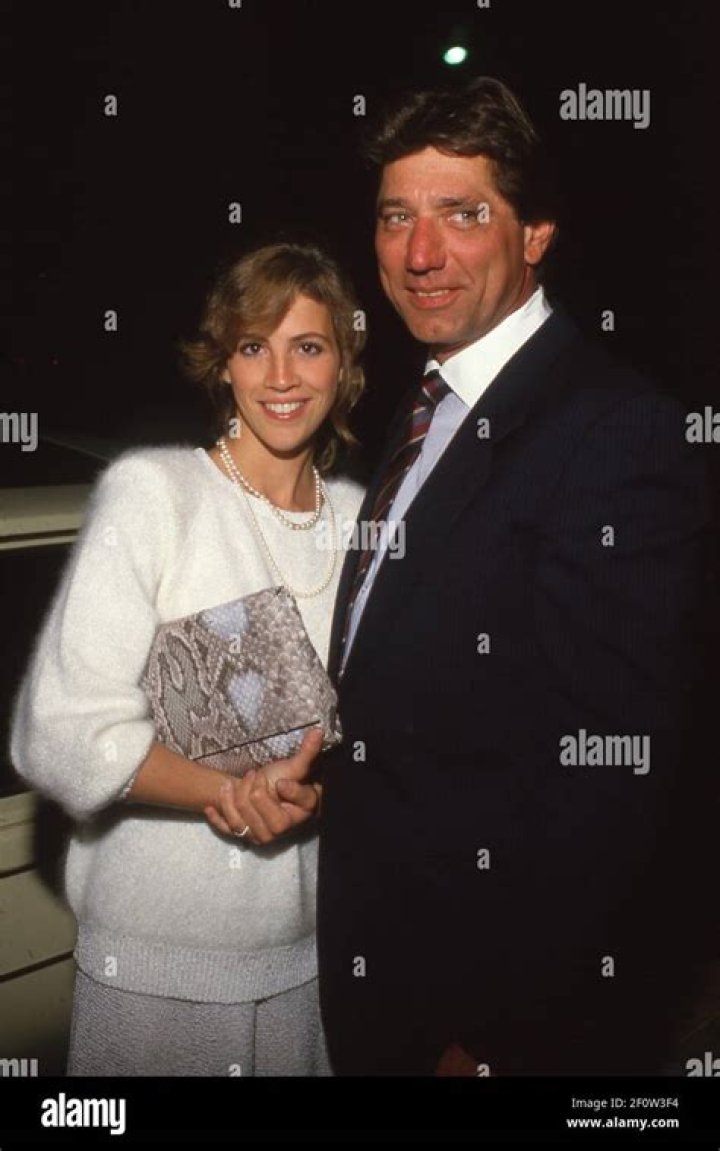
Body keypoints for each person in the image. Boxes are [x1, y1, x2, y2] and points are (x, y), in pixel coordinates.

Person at [316, 77, 711, 1076]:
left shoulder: (613, 431)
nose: (419, 253)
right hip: (376, 977)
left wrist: (497, 1034)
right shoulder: (426, 406)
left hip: (477, 1016)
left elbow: (610, 778)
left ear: (535, 233)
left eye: (463, 214)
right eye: (396, 216)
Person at [10, 241, 365, 1076]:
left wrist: (323, 792)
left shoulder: (362, 518)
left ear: (344, 365)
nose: (281, 376)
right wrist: (227, 792)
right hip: (157, 974)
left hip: (311, 961)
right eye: (254, 346)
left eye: (308, 346)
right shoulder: (157, 494)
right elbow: (57, 735)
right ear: (223, 363)